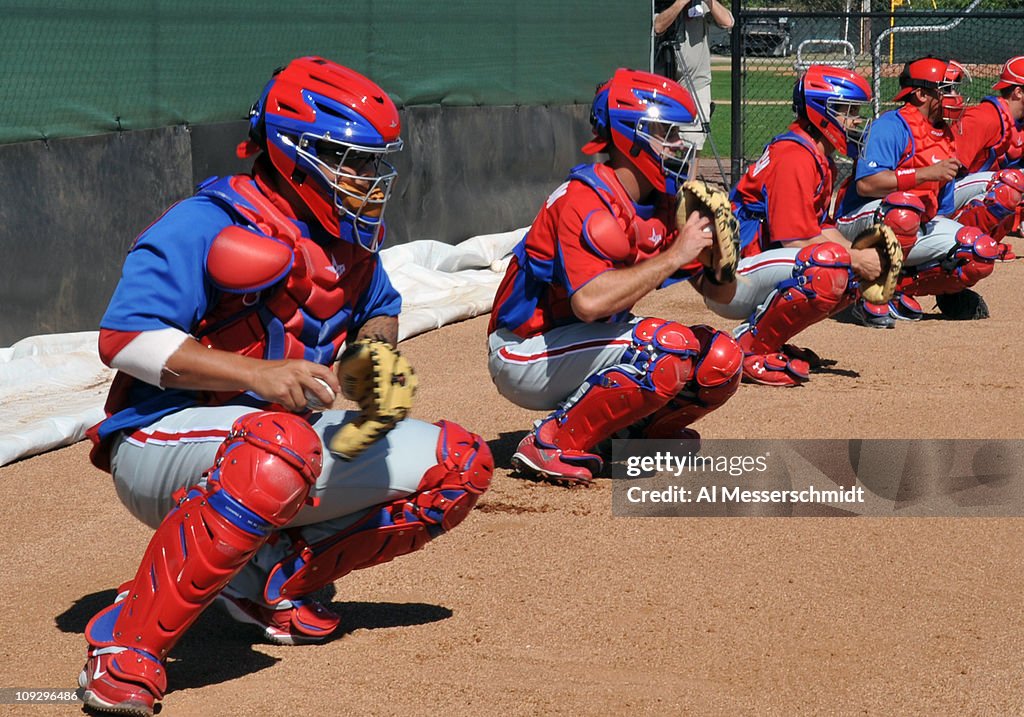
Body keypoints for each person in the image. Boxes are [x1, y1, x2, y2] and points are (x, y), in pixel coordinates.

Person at [77, 56, 493, 716]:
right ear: (296, 153)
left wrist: (373, 353)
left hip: (272, 444)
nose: (369, 177)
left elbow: (377, 305)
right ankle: (124, 647)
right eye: (353, 161)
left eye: (374, 162)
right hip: (159, 441)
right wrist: (258, 374)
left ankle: (268, 581)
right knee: (279, 449)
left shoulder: (344, 234)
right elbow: (123, 341)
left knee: (461, 465)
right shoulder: (205, 221)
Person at [487, 68, 743, 486]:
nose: (679, 145)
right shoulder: (584, 199)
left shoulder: (663, 202)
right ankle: (550, 442)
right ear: (630, 137)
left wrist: (719, 261)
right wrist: (675, 255)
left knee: (722, 360)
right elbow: (588, 303)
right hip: (525, 349)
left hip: (585, 343)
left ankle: (631, 436)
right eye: (667, 133)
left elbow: (724, 297)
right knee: (663, 349)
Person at [706, 65, 886, 387]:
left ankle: (768, 340)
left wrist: (863, 258)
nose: (856, 121)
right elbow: (795, 241)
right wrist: (853, 259)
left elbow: (820, 228)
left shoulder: (816, 155)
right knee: (827, 266)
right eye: (848, 111)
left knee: (847, 271)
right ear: (822, 112)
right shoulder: (795, 157)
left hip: (753, 265)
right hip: (733, 279)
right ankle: (748, 348)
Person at [836, 56, 1005, 327]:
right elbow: (866, 185)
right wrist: (924, 174)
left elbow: (944, 211)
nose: (955, 96)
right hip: (857, 222)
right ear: (921, 94)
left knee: (979, 252)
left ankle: (905, 289)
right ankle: (866, 294)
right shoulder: (890, 126)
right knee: (904, 209)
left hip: (908, 224)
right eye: (946, 89)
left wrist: (951, 261)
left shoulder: (944, 135)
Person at [952, 56, 1024, 248]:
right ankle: (954, 244)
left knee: (1011, 184)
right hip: (947, 196)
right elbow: (946, 172)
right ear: (1018, 92)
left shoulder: (1019, 125)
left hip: (978, 191)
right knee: (1008, 184)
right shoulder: (983, 118)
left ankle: (985, 244)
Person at [653, 0, 734, 159]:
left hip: (696, 81)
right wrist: (680, 3)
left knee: (693, 143)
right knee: (660, 144)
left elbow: (728, 22)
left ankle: (689, 183)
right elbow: (657, 27)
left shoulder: (701, 4)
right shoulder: (658, 4)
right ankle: (663, 183)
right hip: (662, 83)